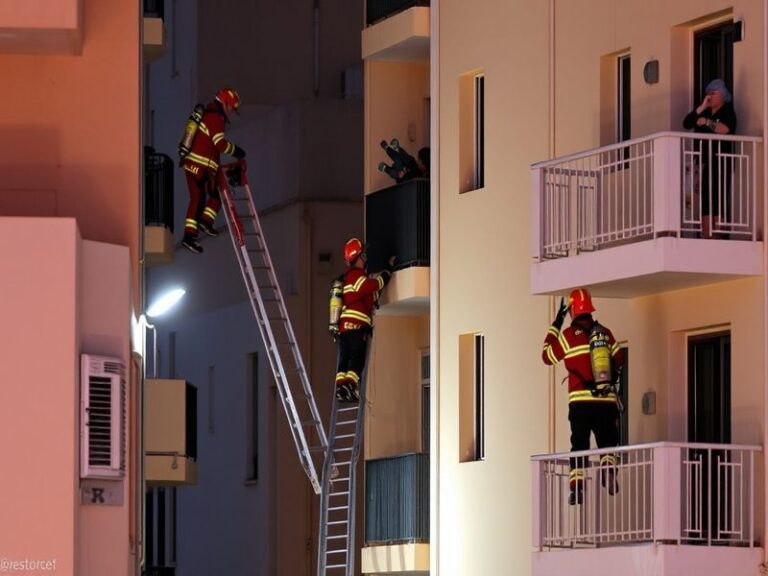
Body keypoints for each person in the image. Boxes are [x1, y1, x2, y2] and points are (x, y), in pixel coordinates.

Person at [541, 288, 624, 505]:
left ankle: (577, 487)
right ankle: (608, 471)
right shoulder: (604, 333)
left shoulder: (568, 337)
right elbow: (619, 357)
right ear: (589, 308)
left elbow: (546, 356)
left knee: (579, 443)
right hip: (605, 400)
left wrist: (556, 324)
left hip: (580, 402)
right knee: (608, 441)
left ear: (572, 312)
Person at [180, 88, 247, 254]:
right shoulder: (216, 117)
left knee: (197, 199)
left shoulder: (208, 114)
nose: (231, 111)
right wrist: (238, 151)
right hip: (201, 166)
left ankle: (192, 234)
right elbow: (219, 144)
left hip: (191, 163)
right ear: (224, 103)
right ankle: (201, 226)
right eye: (231, 107)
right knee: (212, 196)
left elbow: (211, 147)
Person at [335, 238, 395, 402]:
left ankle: (342, 388)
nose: (366, 258)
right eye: (364, 255)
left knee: (345, 360)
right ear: (358, 257)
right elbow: (373, 286)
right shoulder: (356, 276)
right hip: (356, 327)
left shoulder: (347, 278)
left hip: (344, 329)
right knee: (357, 358)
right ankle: (350, 384)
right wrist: (386, 273)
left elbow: (367, 296)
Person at [682, 79, 737, 239]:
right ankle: (707, 235)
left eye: (714, 93)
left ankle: (718, 234)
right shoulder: (705, 111)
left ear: (723, 95)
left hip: (720, 160)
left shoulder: (727, 111)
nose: (710, 96)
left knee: (718, 195)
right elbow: (686, 123)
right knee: (705, 197)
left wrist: (707, 122)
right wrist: (702, 107)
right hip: (705, 161)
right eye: (708, 93)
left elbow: (725, 129)